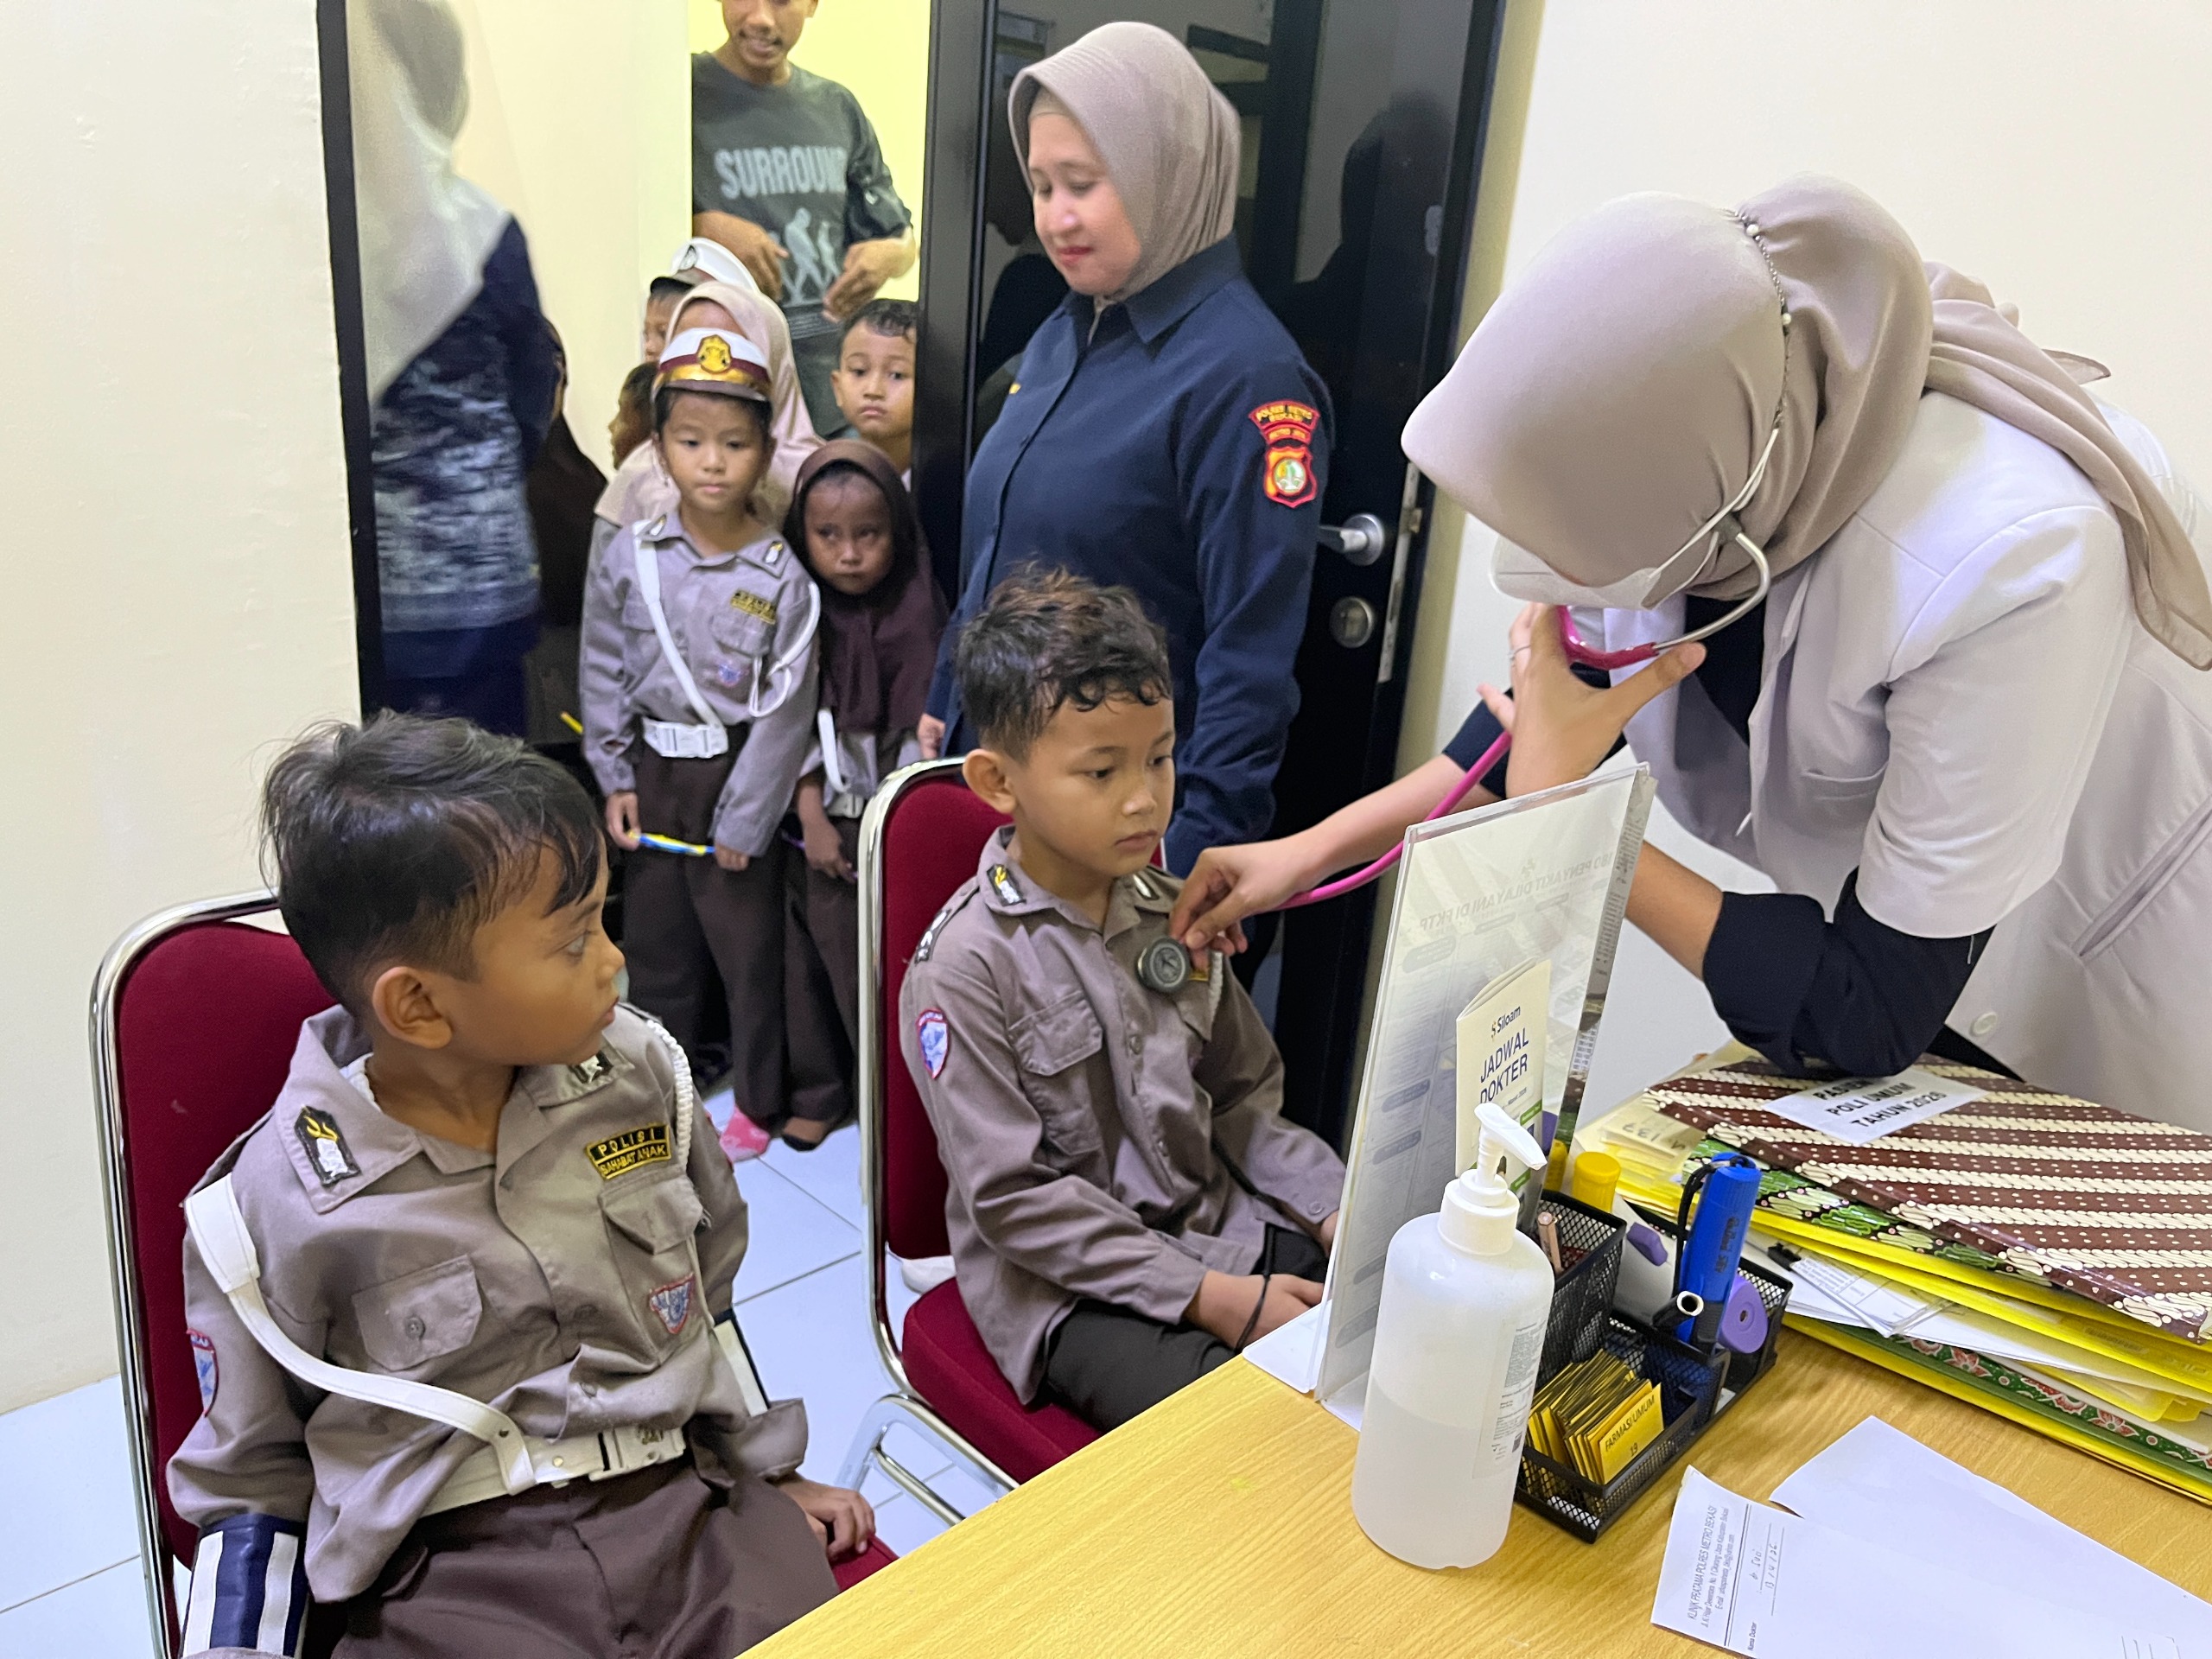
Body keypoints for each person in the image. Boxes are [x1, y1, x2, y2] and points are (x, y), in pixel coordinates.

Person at [1169, 177, 2212, 1134]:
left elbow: (1865, 1013)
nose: (1555, 582)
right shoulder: (1688, 450)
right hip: (1877, 968)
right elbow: (1537, 713)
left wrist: (1566, 823)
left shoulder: (2006, 561)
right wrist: (1304, 853)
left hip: (2091, 949)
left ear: (1729, 508)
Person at [167, 714, 870, 1658]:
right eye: (574, 940)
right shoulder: (272, 1208)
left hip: (690, 1517)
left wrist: (767, 1468)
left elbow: (704, 1303)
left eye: (605, 920)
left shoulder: (642, 1080)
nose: (615, 961)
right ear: (419, 1004)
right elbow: (251, 1480)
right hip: (454, 1575)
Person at [899, 572, 1344, 1431]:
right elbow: (1015, 1202)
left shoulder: (1177, 913)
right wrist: (1209, 1296)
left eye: (1159, 757)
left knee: (1384, 1318)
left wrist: (1332, 1208)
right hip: (1067, 1290)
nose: (1144, 798)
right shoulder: (962, 969)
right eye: (1101, 771)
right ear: (998, 782)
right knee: (1248, 1435)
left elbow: (1243, 1098)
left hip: (1214, 1222)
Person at [920, 22, 1333, 884]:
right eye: (1041, 186)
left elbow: (1250, 657)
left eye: (1084, 184)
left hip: (1117, 830)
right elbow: (1004, 545)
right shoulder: (1068, 328)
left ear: (1165, 171)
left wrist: (1189, 860)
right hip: (1004, 778)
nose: (1055, 217)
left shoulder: (1246, 377)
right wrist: (944, 700)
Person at [580, 327, 820, 1135]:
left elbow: (785, 713)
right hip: (653, 771)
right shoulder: (633, 555)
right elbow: (603, 663)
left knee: (748, 950)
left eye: (734, 444)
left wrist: (748, 818)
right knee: (656, 946)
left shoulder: (782, 578)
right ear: (660, 449)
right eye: (690, 442)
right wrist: (614, 775)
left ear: (766, 453)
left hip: (736, 775)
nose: (712, 463)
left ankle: (758, 1099)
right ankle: (660, 1085)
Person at [351, 0, 558, 736]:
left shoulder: (336, 241)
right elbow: (534, 384)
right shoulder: (489, 231)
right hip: (487, 576)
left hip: (371, 585)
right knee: (484, 779)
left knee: (379, 774)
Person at [782, 442, 944, 1147]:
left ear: (897, 533)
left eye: (869, 534)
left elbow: (928, 741)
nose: (849, 555)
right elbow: (785, 728)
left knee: (902, 970)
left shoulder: (921, 612)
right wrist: (811, 814)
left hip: (899, 831)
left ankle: (900, 1104)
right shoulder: (797, 615)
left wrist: (898, 830)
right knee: (820, 965)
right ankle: (826, 1091)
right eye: (828, 535)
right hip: (824, 828)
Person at [691, 0, 918, 436]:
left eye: (781, 1)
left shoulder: (837, 107)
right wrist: (701, 227)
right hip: (722, 402)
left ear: (812, 4)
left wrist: (890, 257)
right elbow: (622, 216)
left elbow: (902, 240)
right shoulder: (680, 92)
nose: (761, 19)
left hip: (835, 407)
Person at [596, 276, 821, 563]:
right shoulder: (639, 477)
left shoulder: (818, 483)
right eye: (689, 346)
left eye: (731, 349)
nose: (707, 368)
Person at [829, 299, 916, 480]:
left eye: (897, 375)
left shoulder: (951, 483)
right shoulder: (828, 477)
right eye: (859, 371)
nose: (873, 390)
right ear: (837, 388)